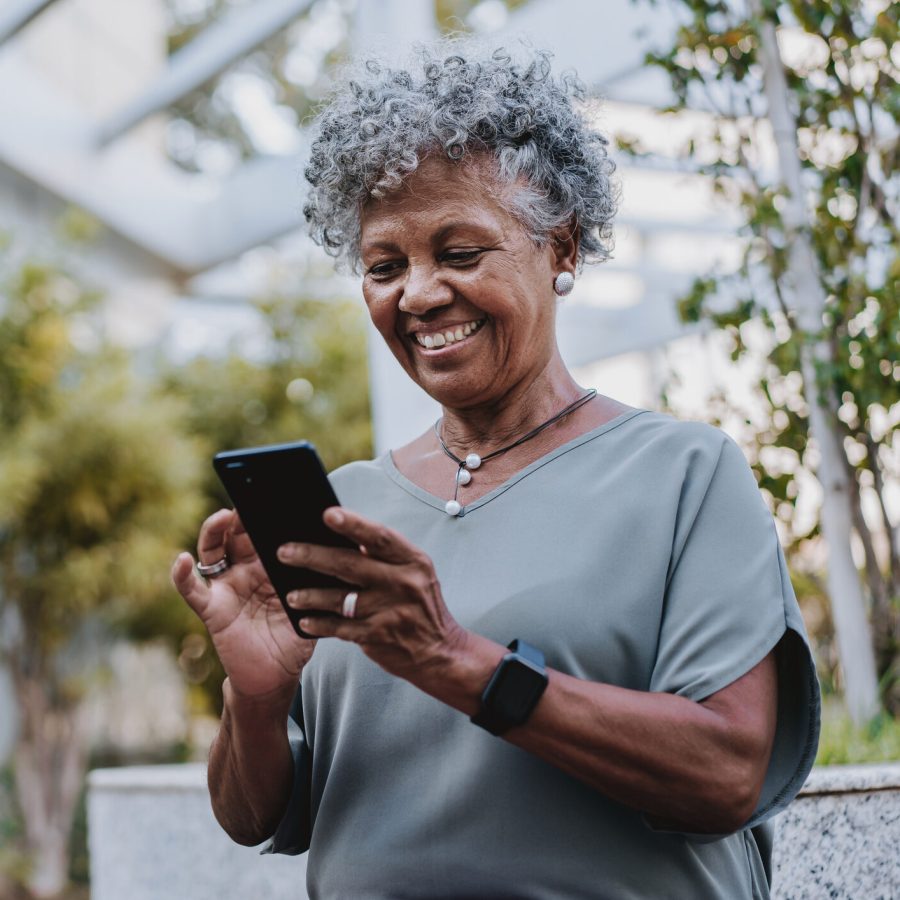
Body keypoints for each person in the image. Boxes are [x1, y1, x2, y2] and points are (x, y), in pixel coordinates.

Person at [172, 40, 819, 899]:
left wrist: (458, 663)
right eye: (384, 266)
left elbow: (728, 773)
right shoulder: (346, 510)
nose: (419, 294)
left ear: (562, 247)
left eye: (462, 252)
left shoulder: (684, 476)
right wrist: (254, 695)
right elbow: (253, 817)